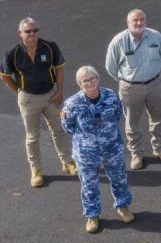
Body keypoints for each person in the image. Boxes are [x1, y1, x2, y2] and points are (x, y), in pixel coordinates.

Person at [0, 17, 77, 188]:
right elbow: (5, 76)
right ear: (20, 33)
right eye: (28, 31)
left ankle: (67, 161)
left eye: (35, 30)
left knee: (59, 130)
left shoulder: (50, 47)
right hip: (28, 99)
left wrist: (59, 92)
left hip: (51, 96)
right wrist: (19, 92)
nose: (32, 34)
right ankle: (36, 170)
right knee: (32, 137)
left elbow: (60, 69)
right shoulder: (12, 53)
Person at [61, 66, 134, 233]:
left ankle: (123, 206)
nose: (90, 82)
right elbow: (68, 126)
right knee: (89, 183)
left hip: (112, 146)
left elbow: (117, 115)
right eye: (85, 80)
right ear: (80, 83)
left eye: (92, 78)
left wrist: (106, 134)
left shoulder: (111, 95)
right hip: (86, 151)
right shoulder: (72, 103)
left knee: (119, 178)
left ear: (98, 78)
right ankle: (92, 215)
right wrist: (88, 140)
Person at [105, 9, 161, 170]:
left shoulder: (155, 36)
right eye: (135, 20)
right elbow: (111, 67)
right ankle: (136, 154)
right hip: (130, 88)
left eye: (142, 19)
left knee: (158, 118)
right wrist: (127, 81)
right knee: (132, 123)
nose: (139, 23)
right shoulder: (118, 41)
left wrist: (152, 74)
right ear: (127, 23)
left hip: (155, 84)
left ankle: (160, 149)